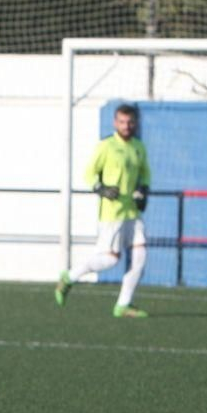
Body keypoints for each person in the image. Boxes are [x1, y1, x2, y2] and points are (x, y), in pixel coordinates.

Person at [54, 103, 151, 317]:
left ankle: (123, 305)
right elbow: (89, 173)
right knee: (110, 260)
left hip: (133, 213)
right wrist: (101, 188)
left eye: (130, 122)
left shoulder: (138, 147)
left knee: (141, 257)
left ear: (135, 123)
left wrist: (143, 189)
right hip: (112, 215)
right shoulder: (106, 146)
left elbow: (145, 174)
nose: (126, 126)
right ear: (115, 123)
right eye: (122, 122)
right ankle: (69, 277)